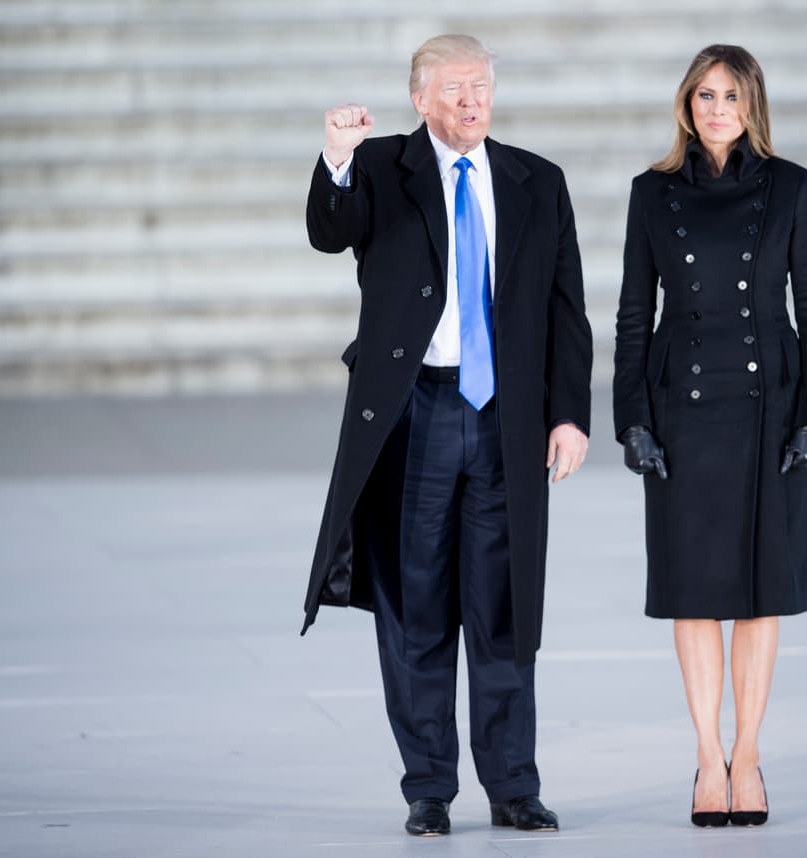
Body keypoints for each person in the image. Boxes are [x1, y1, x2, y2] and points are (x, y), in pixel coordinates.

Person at [301, 34, 592, 837]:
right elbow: (332, 229)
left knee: (502, 609)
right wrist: (335, 156)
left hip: (507, 420)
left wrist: (569, 415)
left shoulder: (538, 180)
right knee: (417, 608)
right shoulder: (385, 168)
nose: (471, 101)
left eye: (481, 87)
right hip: (417, 414)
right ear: (420, 98)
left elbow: (567, 312)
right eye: (454, 88)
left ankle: (513, 787)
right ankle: (429, 789)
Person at [612, 44, 807, 828]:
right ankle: (709, 757)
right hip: (683, 413)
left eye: (730, 97)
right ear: (686, 103)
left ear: (752, 107)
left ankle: (750, 757)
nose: (716, 110)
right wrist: (632, 420)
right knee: (693, 594)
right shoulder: (652, 193)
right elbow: (634, 318)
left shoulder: (788, 188)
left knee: (760, 593)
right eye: (704, 96)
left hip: (768, 413)